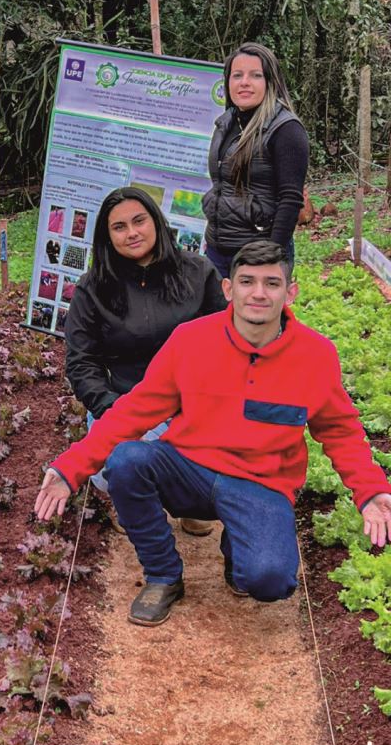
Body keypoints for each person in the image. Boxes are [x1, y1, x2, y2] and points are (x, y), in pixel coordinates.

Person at [35, 240, 391, 627]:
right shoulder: (190, 341)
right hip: (190, 469)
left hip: (261, 483)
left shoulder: (315, 355)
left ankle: (238, 546)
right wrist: (70, 469)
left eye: (271, 283)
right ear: (228, 289)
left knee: (268, 581)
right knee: (128, 460)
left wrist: (370, 490)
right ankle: (163, 576)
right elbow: (133, 412)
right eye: (247, 281)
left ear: (290, 292)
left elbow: (340, 431)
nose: (258, 293)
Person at [65, 186, 226, 536]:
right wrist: (112, 409)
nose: (132, 232)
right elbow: (81, 362)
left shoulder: (198, 272)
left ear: (156, 220)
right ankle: (136, 500)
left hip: (192, 406)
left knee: (213, 455)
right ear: (107, 237)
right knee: (117, 466)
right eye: (119, 227)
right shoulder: (93, 288)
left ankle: (191, 502)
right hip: (127, 401)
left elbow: (228, 344)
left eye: (139, 220)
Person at [201, 43, 309, 278]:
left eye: (255, 75)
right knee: (217, 315)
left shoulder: (286, 129)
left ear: (270, 81)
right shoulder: (226, 123)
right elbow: (222, 187)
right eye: (237, 75)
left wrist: (270, 258)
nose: (244, 82)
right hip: (217, 251)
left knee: (256, 316)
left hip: (258, 253)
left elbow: (290, 199)